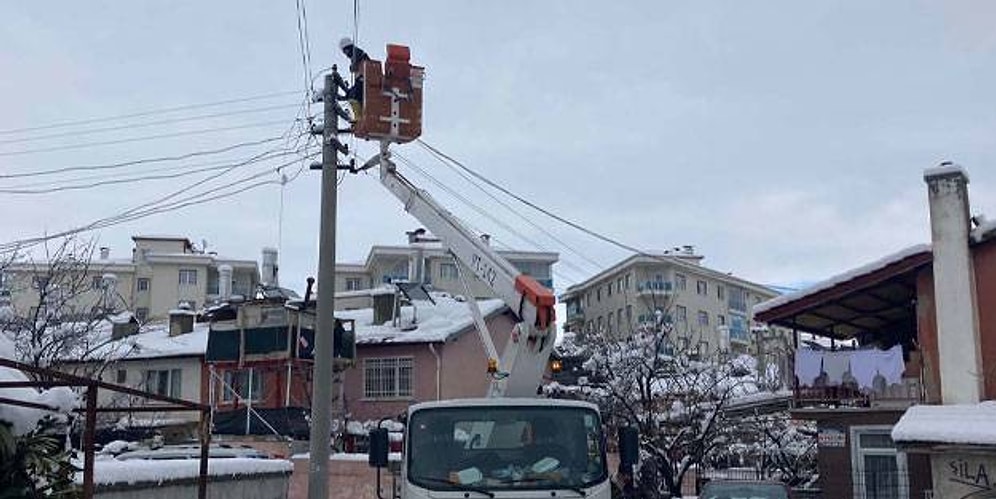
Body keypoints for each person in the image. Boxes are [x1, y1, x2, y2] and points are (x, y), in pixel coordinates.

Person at [339, 37, 370, 121]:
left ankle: (359, 117)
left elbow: (357, 64)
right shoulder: (356, 54)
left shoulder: (356, 53)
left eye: (345, 51)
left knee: (354, 96)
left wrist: (353, 66)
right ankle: (360, 115)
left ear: (348, 48)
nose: (346, 54)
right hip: (363, 80)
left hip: (363, 80)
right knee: (351, 95)